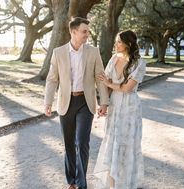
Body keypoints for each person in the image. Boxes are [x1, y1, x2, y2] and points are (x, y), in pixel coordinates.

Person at [44, 17, 109, 189]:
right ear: (73, 32)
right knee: (69, 144)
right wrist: (48, 101)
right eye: (84, 31)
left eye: (87, 31)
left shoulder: (93, 52)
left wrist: (104, 102)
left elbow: (100, 78)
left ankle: (82, 183)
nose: (87, 35)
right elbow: (52, 79)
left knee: (81, 142)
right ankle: (71, 181)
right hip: (66, 102)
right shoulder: (58, 52)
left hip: (85, 102)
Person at [94, 30, 146, 189]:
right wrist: (103, 104)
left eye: (119, 42)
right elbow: (106, 85)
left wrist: (109, 84)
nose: (116, 44)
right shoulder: (113, 59)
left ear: (128, 44)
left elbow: (127, 88)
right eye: (116, 41)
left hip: (130, 108)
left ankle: (125, 184)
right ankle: (112, 185)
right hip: (115, 106)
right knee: (112, 145)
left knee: (125, 146)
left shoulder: (139, 63)